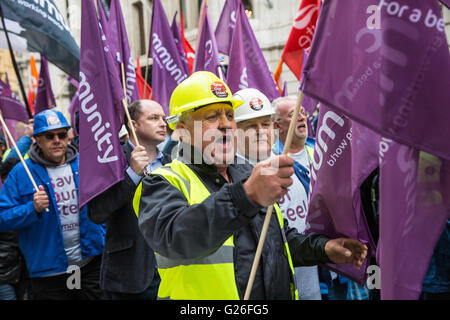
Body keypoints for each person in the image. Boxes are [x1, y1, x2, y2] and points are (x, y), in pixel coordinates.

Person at [134, 71, 368, 300]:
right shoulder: (162, 182)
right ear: (182, 132)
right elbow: (176, 238)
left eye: (229, 115)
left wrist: (323, 248)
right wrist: (246, 196)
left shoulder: (247, 175)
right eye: (212, 117)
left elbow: (278, 242)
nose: (226, 125)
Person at [0, 109, 105, 300]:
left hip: (89, 264)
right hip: (48, 272)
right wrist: (32, 209)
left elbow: (105, 202)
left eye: (62, 134)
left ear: (68, 137)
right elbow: (2, 219)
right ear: (37, 139)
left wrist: (101, 234)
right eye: (49, 136)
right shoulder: (20, 173)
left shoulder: (85, 164)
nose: (57, 140)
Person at [88, 99, 170, 300]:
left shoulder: (172, 162)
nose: (163, 123)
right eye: (153, 118)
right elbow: (97, 212)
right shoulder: (113, 160)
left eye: (163, 118)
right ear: (133, 125)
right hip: (129, 276)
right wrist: (132, 175)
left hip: (170, 273)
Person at [271, 96, 322, 299]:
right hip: (298, 258)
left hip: (330, 256)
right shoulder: (270, 162)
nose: (301, 118)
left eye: (303, 112)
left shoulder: (320, 152)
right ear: (277, 125)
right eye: (293, 114)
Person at [232, 88, 275, 165]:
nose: (261, 131)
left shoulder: (289, 166)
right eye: (251, 126)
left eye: (265, 125)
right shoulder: (227, 173)